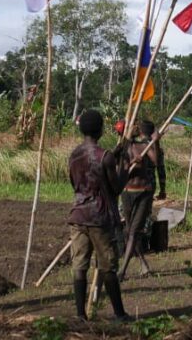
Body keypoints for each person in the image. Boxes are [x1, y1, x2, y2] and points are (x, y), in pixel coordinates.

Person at [67, 110, 131, 322]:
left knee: (79, 265)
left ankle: (79, 314)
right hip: (100, 218)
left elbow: (79, 182)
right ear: (101, 130)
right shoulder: (106, 156)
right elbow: (116, 188)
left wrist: (116, 155)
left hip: (77, 215)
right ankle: (119, 314)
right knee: (108, 266)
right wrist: (125, 168)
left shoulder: (74, 155)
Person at [118, 120, 165, 280]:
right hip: (127, 193)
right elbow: (119, 171)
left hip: (144, 192)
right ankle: (143, 264)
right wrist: (132, 162)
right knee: (129, 231)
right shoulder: (123, 149)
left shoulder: (145, 146)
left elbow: (156, 161)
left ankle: (122, 271)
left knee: (133, 231)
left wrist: (156, 143)